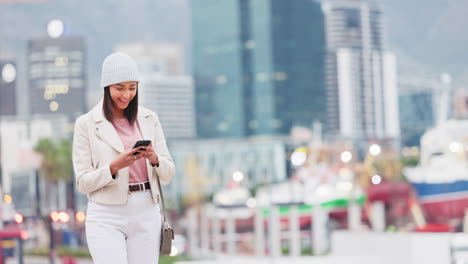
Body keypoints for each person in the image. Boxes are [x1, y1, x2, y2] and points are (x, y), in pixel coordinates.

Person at [72, 52, 175, 264]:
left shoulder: (149, 119)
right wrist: (114, 166)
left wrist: (154, 158)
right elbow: (83, 183)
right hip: (106, 214)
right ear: (107, 87)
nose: (126, 94)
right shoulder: (86, 124)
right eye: (119, 88)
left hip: (147, 210)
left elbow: (169, 173)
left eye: (132, 87)